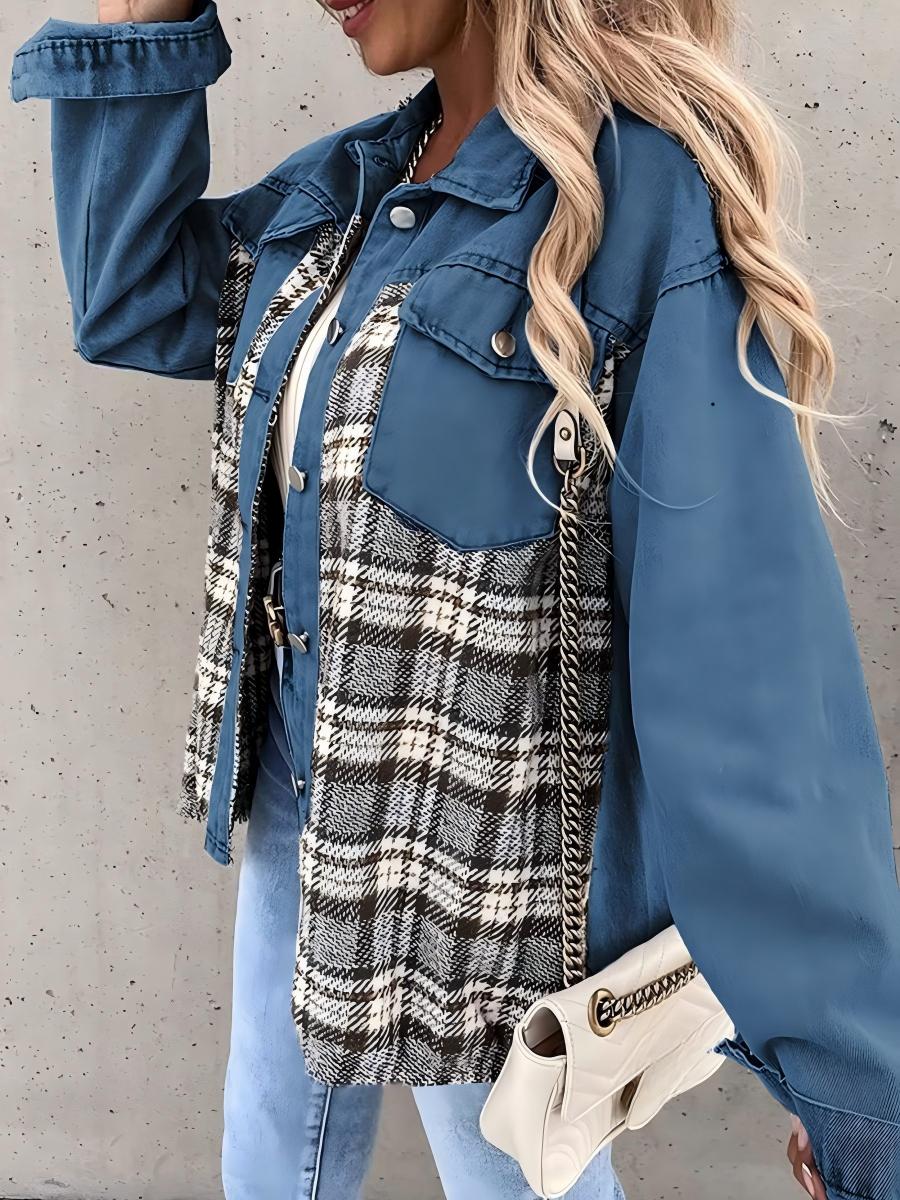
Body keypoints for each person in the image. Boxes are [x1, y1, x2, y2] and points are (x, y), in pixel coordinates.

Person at [9, 0, 900, 1197]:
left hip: (475, 882)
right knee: (264, 1165)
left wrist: (853, 1080)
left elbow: (744, 674)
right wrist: (142, 10)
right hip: (300, 799)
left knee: (503, 1177)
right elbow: (133, 295)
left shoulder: (633, 201)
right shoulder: (356, 189)